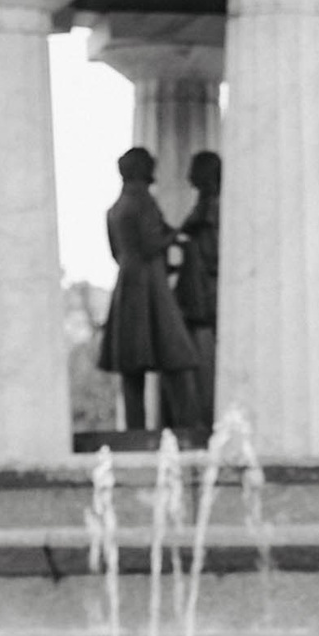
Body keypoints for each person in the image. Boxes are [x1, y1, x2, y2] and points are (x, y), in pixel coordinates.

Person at [98, 146, 203, 436]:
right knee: (176, 356)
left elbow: (116, 252)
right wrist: (179, 234)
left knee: (132, 368)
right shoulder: (142, 202)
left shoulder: (115, 209)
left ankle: (135, 431)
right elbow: (151, 243)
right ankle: (188, 426)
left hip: (126, 287)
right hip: (150, 287)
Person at [173, 150, 221, 434]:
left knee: (201, 356)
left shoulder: (212, 206)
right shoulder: (205, 204)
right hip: (197, 290)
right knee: (195, 356)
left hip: (205, 293)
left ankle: (204, 418)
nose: (189, 174)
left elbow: (213, 252)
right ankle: (196, 417)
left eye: (195, 168)